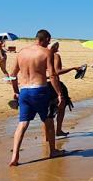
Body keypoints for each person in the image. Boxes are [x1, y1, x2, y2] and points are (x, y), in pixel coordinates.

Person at [8, 29, 64, 166]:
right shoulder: (46, 52)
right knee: (49, 121)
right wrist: (59, 93)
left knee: (22, 124)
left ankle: (15, 156)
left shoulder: (21, 53)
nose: (49, 43)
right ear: (44, 39)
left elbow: (12, 74)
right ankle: (53, 151)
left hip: (24, 91)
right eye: (48, 41)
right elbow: (52, 75)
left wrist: (15, 91)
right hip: (40, 91)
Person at [48, 41, 77, 137]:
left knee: (47, 112)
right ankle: (58, 130)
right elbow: (57, 71)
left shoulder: (40, 55)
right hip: (54, 83)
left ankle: (46, 136)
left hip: (42, 84)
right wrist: (73, 68)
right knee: (62, 105)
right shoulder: (55, 56)